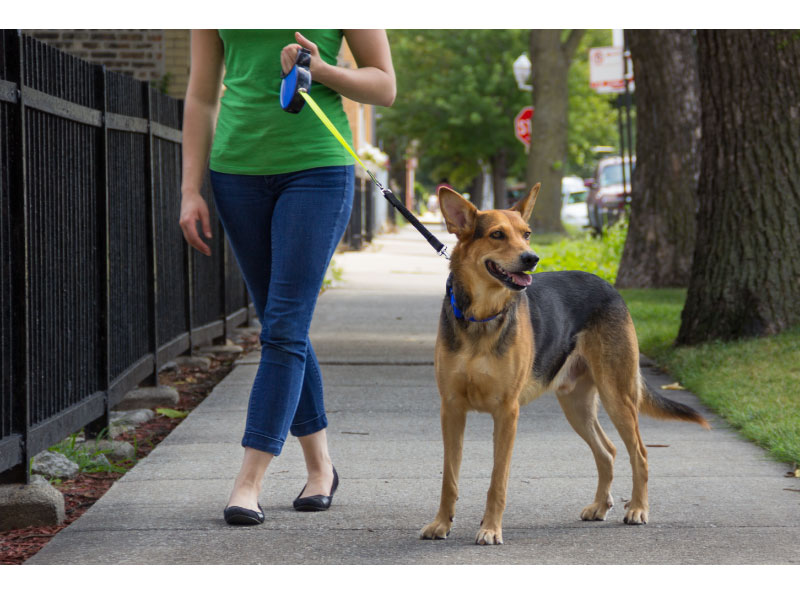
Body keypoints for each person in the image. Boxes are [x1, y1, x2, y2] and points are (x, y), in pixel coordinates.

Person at [179, 30, 395, 525]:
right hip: (235, 171)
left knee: (283, 327)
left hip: (317, 166)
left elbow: (383, 86)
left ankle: (248, 480)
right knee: (284, 327)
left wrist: (322, 72)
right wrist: (191, 188)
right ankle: (321, 468)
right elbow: (201, 93)